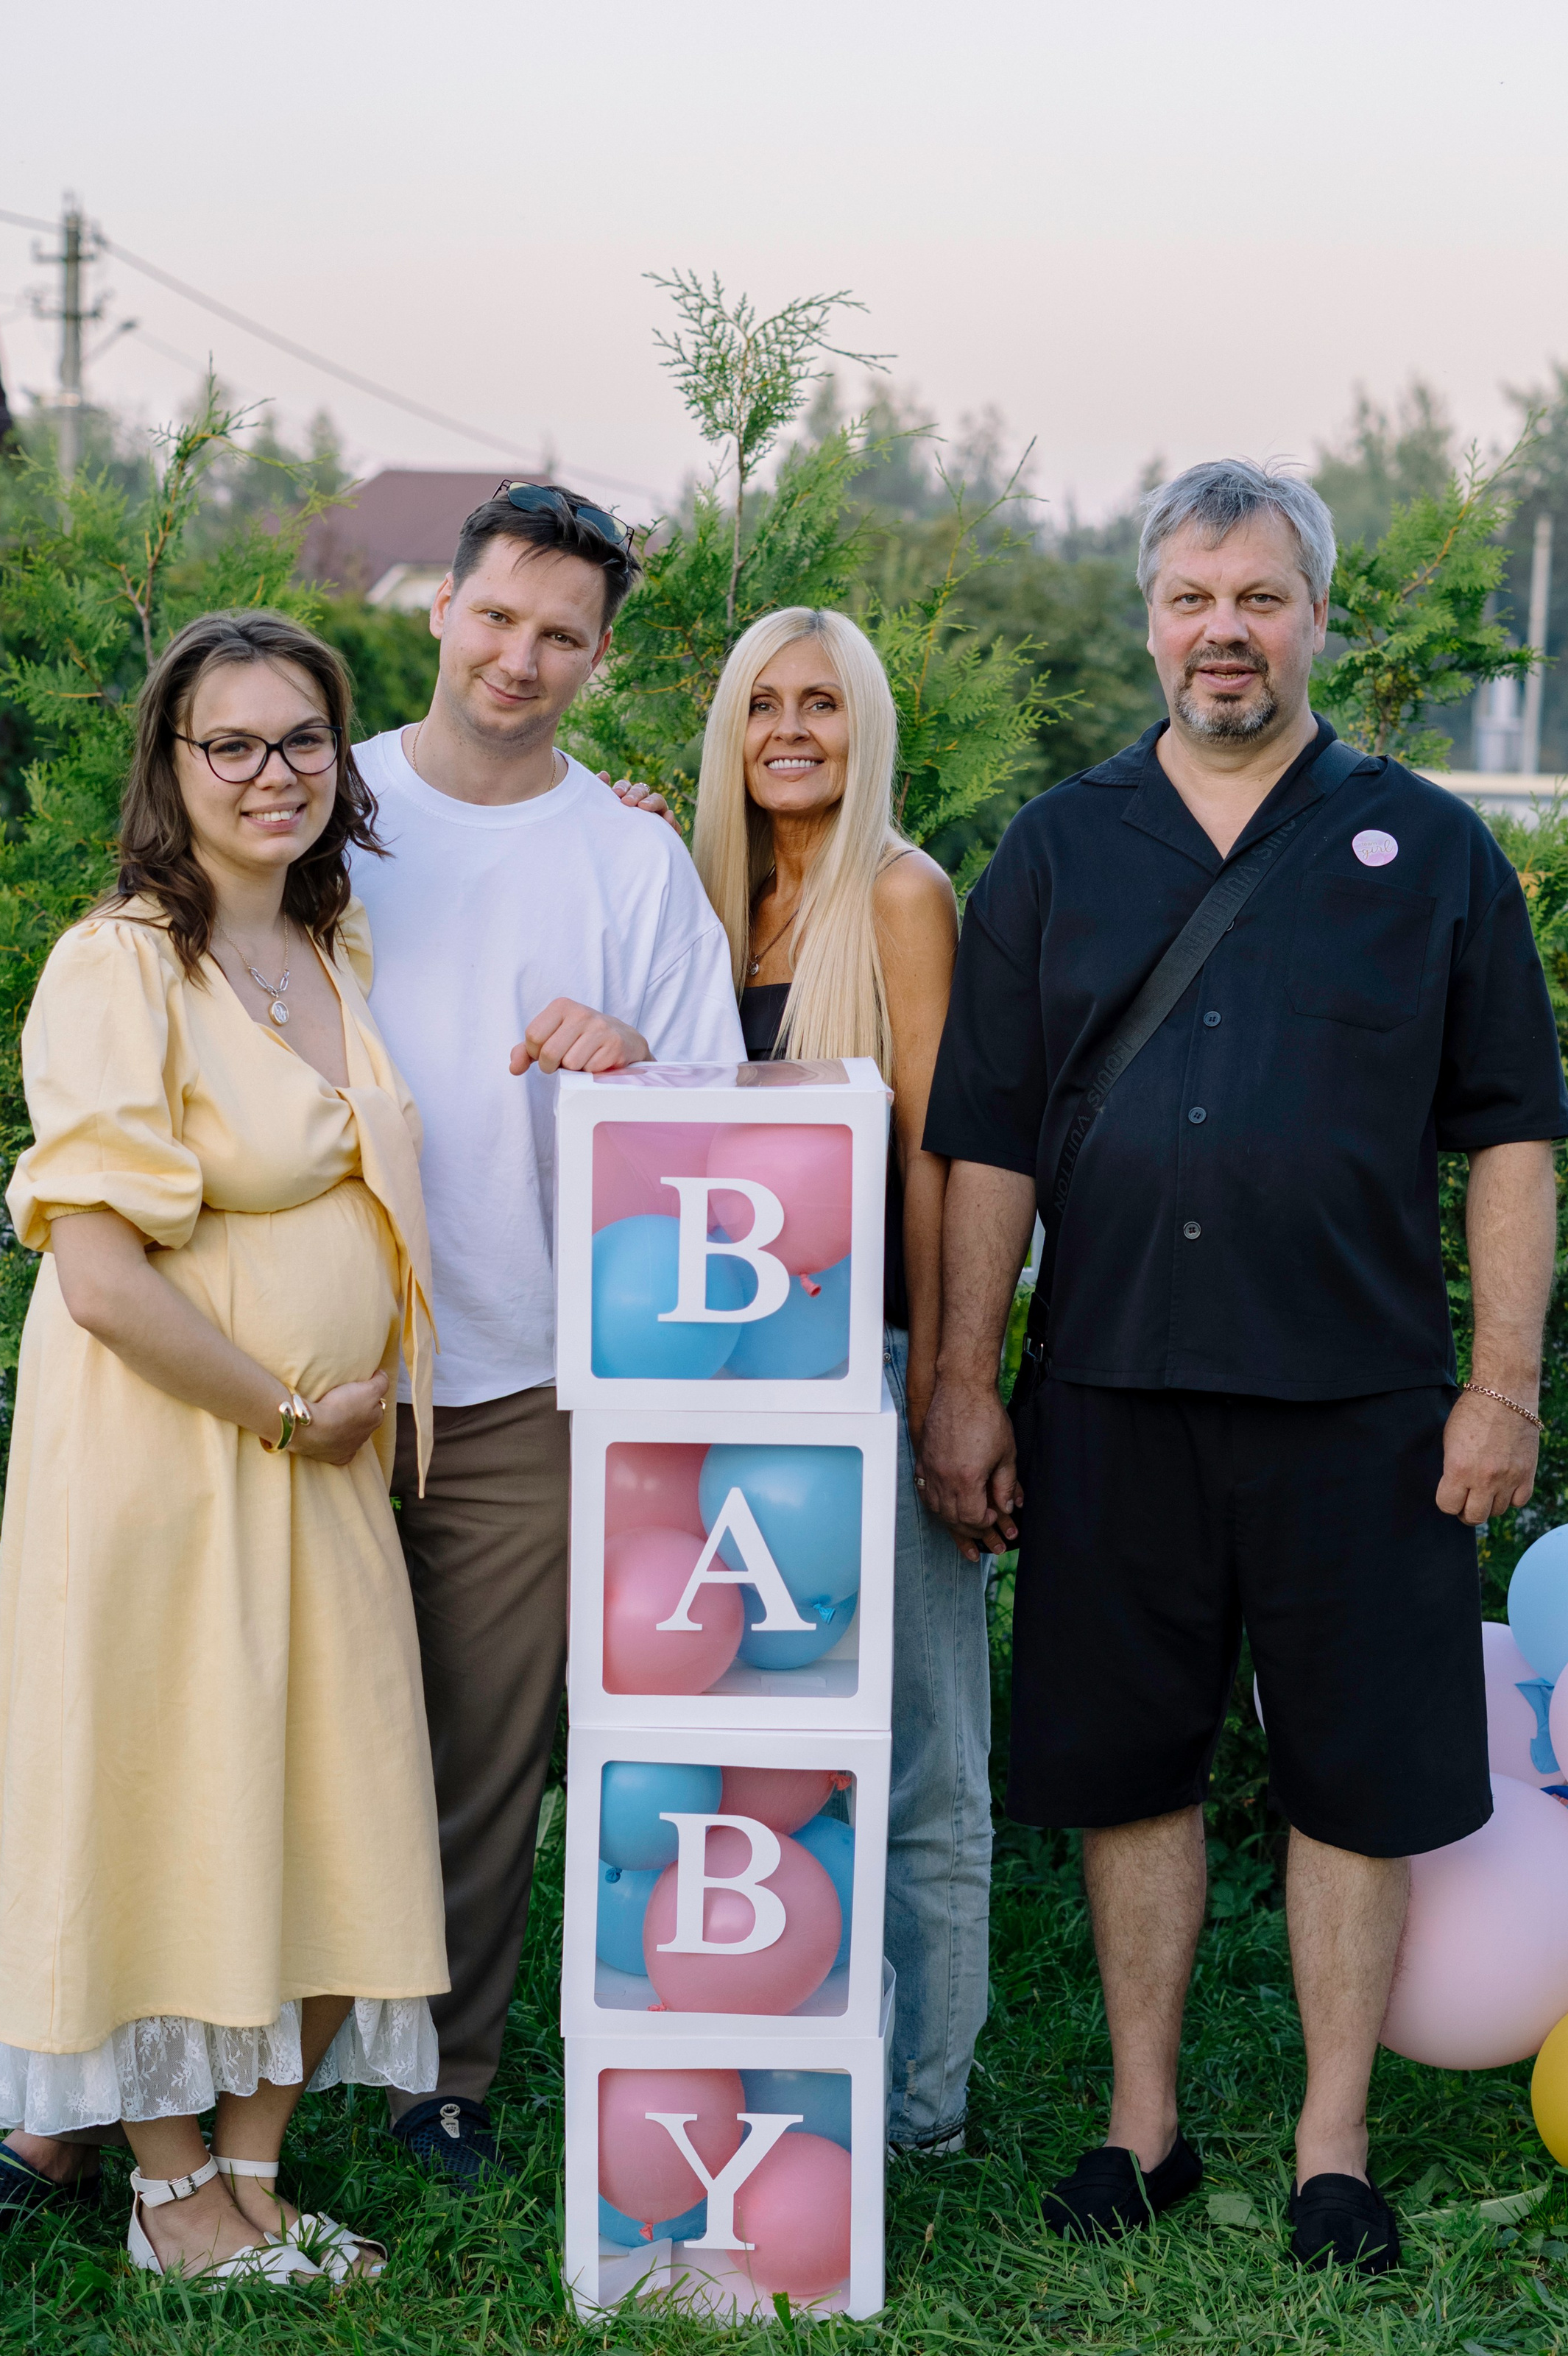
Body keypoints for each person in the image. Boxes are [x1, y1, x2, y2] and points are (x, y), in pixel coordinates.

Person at [918, 460, 1568, 2273]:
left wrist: (1496, 1383)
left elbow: (1509, 1133)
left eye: (1259, 597)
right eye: (1193, 596)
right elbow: (983, 1142)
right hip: (1110, 1387)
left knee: (1353, 1774)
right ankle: (1142, 2127)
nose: (1224, 630)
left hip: (1359, 1399)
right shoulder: (1057, 848)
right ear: (1147, 617)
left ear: (1312, 618)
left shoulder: (1424, 846)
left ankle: (1329, 2147)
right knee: (1126, 1765)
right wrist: (962, 1377)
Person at [0, 612, 448, 2280]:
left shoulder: (327, 949)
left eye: (303, 740)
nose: (273, 773)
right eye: (232, 743)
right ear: (170, 764)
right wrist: (287, 1407)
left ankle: (255, 2169)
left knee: (339, 1792)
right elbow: (94, 1272)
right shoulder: (120, 962)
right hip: (175, 1458)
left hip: (323, 1460)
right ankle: (167, 2196)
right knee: (159, 1794)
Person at [347, 483, 744, 2182]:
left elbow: (720, 1136)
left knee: (481, 1748)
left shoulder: (629, 858)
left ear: (599, 657)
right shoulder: (322, 798)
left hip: (518, 1376)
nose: (519, 657)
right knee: (270, 1721)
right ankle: (225, 2062)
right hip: (298, 1364)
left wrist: (626, 1062)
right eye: (496, 617)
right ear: (441, 608)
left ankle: (442, 2075)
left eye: (559, 635)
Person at [688, 605, 988, 2155]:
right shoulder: (697, 900)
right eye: (761, 704)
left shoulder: (898, 895)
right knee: (741, 1751)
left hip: (865, 1375)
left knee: (925, 1750)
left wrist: (945, 1383)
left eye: (821, 703)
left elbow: (941, 1161)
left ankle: (921, 2106)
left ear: (864, 726)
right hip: (709, 1394)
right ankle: (745, 2066)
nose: (790, 729)